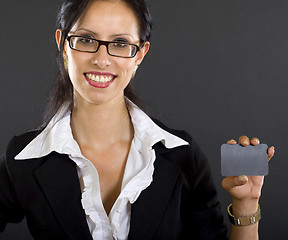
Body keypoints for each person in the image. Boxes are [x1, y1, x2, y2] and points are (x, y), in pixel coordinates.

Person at [0, 0, 275, 239]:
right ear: (62, 44)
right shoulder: (22, 160)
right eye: (86, 39)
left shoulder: (182, 154)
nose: (101, 59)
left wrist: (246, 205)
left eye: (120, 44)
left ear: (140, 54)